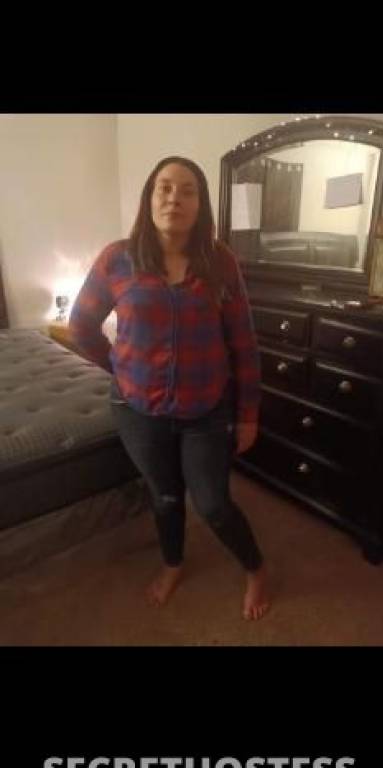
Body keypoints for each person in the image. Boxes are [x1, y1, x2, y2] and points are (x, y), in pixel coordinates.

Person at [69, 156, 269, 620]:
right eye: (164, 187)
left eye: (187, 190)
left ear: (200, 204)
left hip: (206, 410)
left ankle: (256, 569)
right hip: (137, 410)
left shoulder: (220, 262)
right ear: (149, 197)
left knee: (214, 504)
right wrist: (118, 366)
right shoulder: (117, 258)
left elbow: (244, 344)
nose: (174, 198)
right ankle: (173, 563)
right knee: (164, 496)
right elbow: (81, 326)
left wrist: (248, 414)